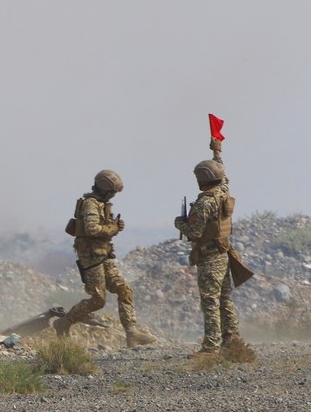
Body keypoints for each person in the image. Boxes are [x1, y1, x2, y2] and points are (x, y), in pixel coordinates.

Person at [55, 169, 157, 347]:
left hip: (103, 255)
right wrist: (113, 229)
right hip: (91, 257)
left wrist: (114, 225)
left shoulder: (100, 204)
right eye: (112, 192)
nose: (113, 196)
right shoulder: (91, 204)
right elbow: (92, 229)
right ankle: (64, 322)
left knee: (124, 290)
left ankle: (132, 333)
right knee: (98, 300)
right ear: (104, 189)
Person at [175, 138, 242, 357]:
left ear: (202, 180)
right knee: (224, 298)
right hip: (223, 253)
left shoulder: (204, 203)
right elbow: (223, 174)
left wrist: (179, 223)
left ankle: (211, 346)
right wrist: (217, 152)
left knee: (210, 301)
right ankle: (232, 340)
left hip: (210, 257)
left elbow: (194, 232)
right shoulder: (223, 191)